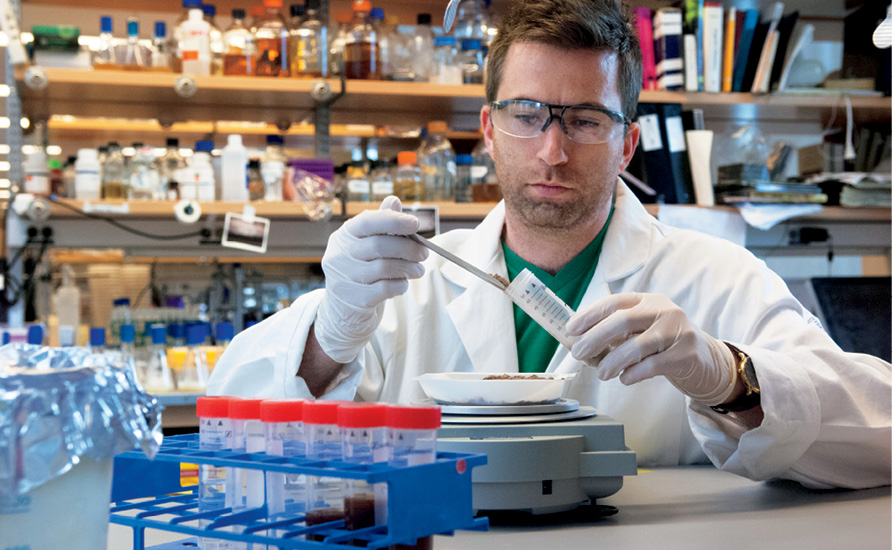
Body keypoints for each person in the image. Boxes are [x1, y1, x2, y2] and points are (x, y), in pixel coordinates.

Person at [209, 0, 892, 489]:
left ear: (628, 142)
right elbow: (230, 446)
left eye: (586, 120)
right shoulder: (402, 285)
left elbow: (878, 431)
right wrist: (332, 333)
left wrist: (728, 377)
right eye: (527, 114)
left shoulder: (717, 278)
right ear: (487, 128)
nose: (552, 149)